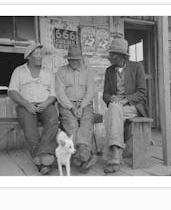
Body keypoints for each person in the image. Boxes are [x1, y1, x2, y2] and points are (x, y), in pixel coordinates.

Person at [8, 42, 58, 175]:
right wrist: (26, 104)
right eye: (37, 54)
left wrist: (46, 103)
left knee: (53, 120)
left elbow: (53, 94)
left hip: (45, 104)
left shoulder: (48, 72)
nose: (40, 56)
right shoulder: (19, 71)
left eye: (40, 54)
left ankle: (40, 157)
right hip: (26, 106)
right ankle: (44, 161)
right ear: (29, 57)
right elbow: (12, 91)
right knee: (30, 129)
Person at [103, 37, 147, 173]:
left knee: (111, 112)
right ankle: (116, 152)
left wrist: (124, 100)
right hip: (116, 107)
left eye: (112, 54)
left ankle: (114, 154)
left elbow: (142, 93)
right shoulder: (109, 71)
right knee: (113, 109)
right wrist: (111, 97)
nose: (109, 56)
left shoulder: (137, 67)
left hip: (132, 106)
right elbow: (105, 94)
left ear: (121, 56)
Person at [55, 44, 97, 173]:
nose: (74, 61)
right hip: (67, 105)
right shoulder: (61, 72)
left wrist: (82, 106)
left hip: (85, 104)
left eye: (77, 59)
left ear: (81, 59)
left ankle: (80, 157)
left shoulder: (88, 71)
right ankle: (85, 157)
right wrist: (72, 107)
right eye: (71, 59)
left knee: (85, 124)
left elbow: (90, 91)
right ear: (68, 59)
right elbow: (60, 93)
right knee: (72, 125)